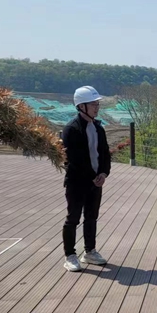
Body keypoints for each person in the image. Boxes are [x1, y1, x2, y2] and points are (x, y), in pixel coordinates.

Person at [61, 85, 111, 272]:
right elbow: (74, 160)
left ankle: (89, 251)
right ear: (81, 106)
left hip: (95, 182)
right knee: (73, 218)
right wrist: (93, 177)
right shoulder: (71, 129)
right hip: (77, 183)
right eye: (93, 104)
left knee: (91, 217)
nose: (97, 108)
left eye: (97, 104)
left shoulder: (98, 128)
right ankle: (70, 256)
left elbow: (105, 154)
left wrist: (103, 173)